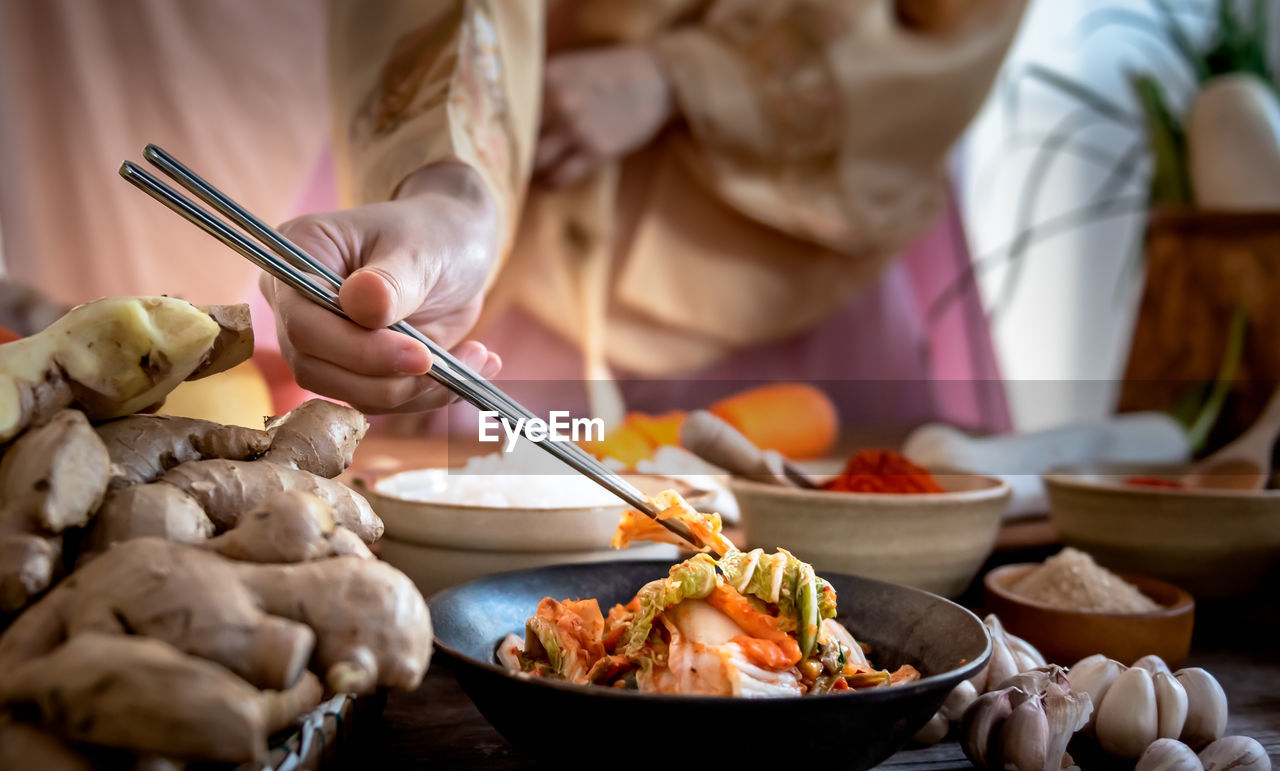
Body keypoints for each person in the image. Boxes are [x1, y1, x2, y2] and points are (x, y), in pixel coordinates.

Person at [0, 0, 1024, 434]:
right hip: (519, 248)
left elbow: (959, 22)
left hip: (801, 242)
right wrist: (450, 190)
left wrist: (687, 78)